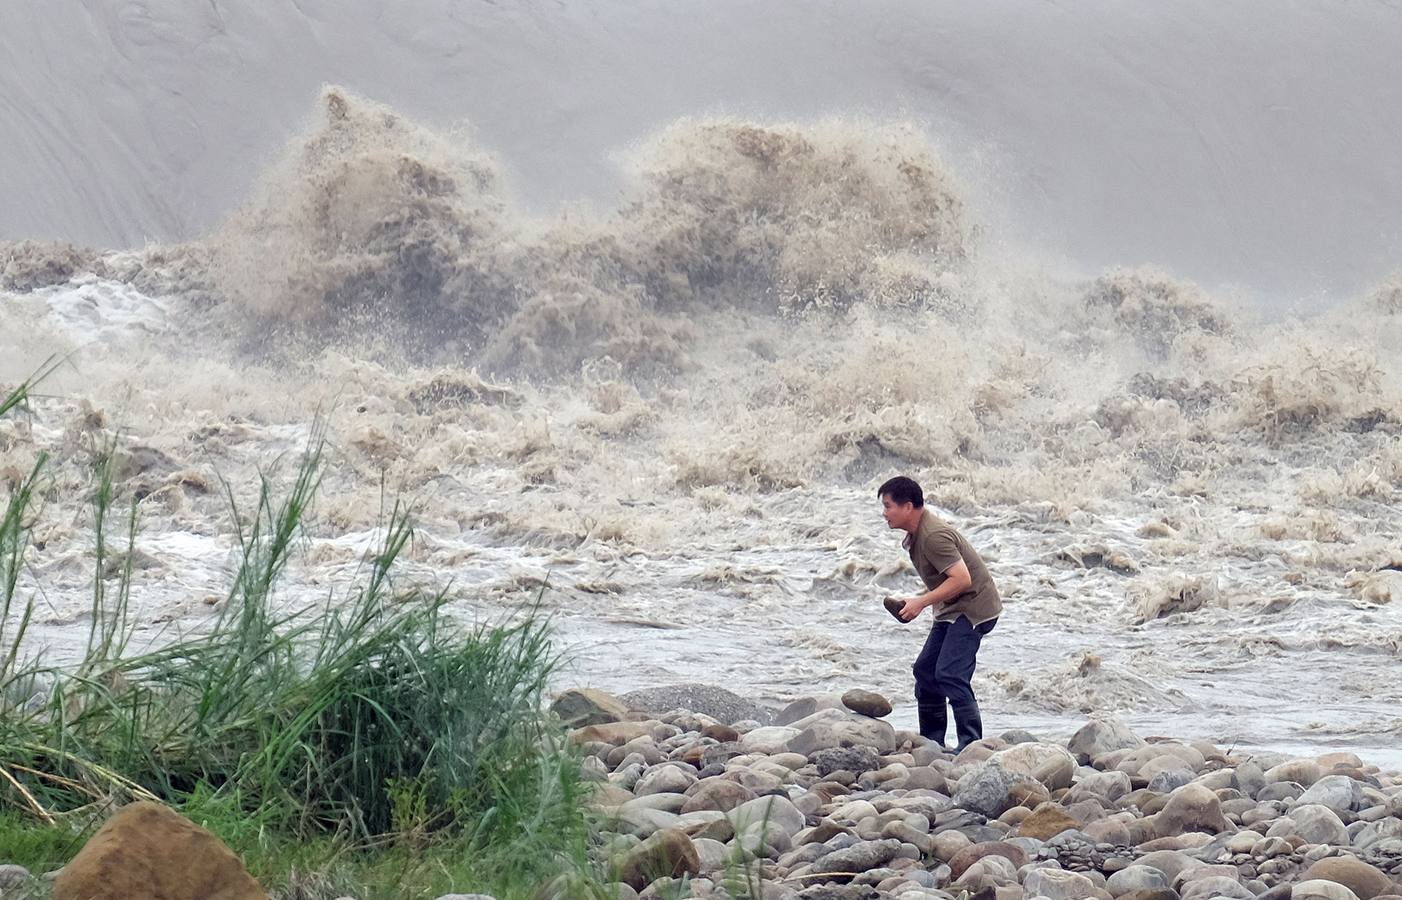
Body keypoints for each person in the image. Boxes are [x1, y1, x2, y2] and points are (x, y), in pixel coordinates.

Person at [879, 475, 1002, 751]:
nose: (884, 513)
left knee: (950, 674)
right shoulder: (916, 534)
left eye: (888, 506)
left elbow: (962, 579)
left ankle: (971, 745)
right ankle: (932, 741)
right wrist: (918, 604)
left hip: (974, 608)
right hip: (952, 608)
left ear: (907, 506)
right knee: (925, 671)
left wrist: (921, 602)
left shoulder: (934, 536)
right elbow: (944, 579)